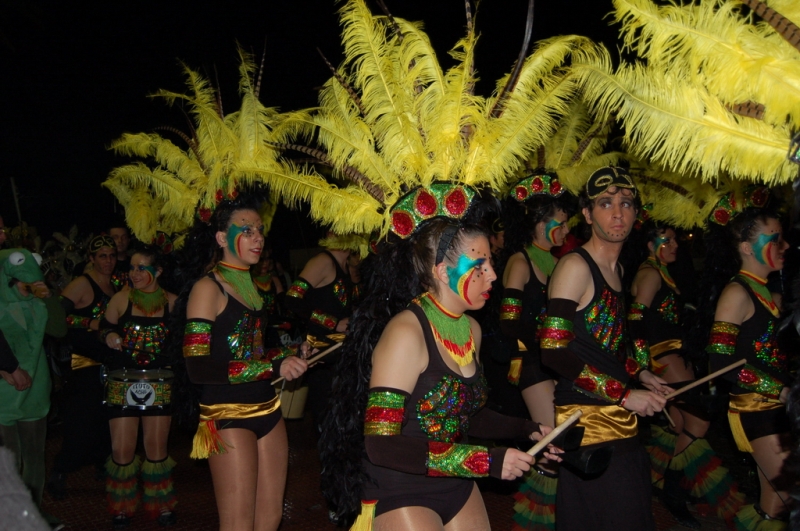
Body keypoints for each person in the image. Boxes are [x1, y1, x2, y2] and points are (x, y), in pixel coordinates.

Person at [320, 185, 563, 531]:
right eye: (479, 265)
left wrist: (528, 430)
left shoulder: (471, 330)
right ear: (442, 272)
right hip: (400, 487)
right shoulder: (406, 333)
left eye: (490, 263)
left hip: (456, 480)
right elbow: (381, 445)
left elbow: (465, 415)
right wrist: (484, 460)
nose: (493, 274)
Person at [540, 167, 670, 531]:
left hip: (617, 416)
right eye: (605, 203)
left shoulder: (619, 269)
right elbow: (552, 352)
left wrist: (641, 373)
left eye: (625, 204)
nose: (617, 213)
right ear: (587, 214)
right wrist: (626, 395)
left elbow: (607, 345)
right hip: (589, 422)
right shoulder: (574, 266)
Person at [181, 197, 310, 531]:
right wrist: (274, 368)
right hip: (227, 414)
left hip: (267, 408)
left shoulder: (252, 288)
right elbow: (197, 368)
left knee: (270, 518)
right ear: (221, 238)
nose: (258, 238)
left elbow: (251, 351)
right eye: (247, 230)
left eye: (260, 230)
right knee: (238, 523)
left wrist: (288, 354)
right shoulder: (207, 289)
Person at [631, 222, 743, 528]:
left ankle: (663, 482)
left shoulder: (660, 272)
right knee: (698, 422)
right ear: (651, 245)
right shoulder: (651, 274)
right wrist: (643, 367)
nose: (675, 245)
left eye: (675, 240)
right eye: (667, 240)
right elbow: (635, 321)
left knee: (680, 423)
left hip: (672, 354)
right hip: (663, 356)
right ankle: (673, 492)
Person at [700, 203, 791, 529]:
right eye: (775, 239)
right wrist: (779, 390)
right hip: (755, 409)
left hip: (777, 406)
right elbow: (721, 363)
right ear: (746, 248)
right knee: (786, 496)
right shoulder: (736, 293)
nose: (785, 246)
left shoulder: (766, 291)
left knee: (776, 501)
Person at [498, 173, 570, 531]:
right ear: (541, 224)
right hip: (530, 362)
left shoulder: (560, 263)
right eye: (561, 222)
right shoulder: (520, 261)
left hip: (559, 361)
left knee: (563, 445)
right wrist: (545, 337)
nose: (566, 229)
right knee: (552, 445)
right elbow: (508, 321)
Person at [99, 245, 178, 528]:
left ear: (158, 271)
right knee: (122, 450)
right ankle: (121, 506)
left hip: (160, 382)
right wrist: (108, 336)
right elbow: (103, 328)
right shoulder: (121, 299)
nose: (134, 273)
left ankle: (161, 503)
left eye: (142, 268)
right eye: (132, 267)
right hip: (123, 381)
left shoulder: (173, 302)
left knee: (156, 449)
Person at [0, 248, 66, 530]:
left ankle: (31, 514)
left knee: (34, 458)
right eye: (24, 283)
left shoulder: (37, 305)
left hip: (35, 391)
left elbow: (60, 330)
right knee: (8, 461)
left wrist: (48, 297)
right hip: (4, 394)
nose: (29, 288)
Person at [48, 235, 118, 499]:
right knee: (82, 421)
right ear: (91, 258)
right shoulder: (81, 284)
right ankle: (60, 471)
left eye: (112, 255)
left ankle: (102, 463)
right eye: (102, 256)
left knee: (105, 419)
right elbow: (57, 317)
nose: (108, 261)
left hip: (108, 364)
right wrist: (88, 323)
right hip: (85, 364)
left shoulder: (115, 284)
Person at [284, 239, 354, 430]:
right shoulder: (323, 261)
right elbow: (292, 299)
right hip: (319, 352)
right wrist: (333, 323)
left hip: (340, 353)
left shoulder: (348, 264)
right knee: (326, 418)